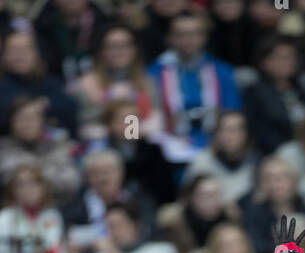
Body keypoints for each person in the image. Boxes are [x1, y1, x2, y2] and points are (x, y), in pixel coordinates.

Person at [148, 11, 241, 154]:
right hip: (166, 149)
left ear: (205, 37)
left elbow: (232, 112)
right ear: (170, 38)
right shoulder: (154, 73)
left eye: (195, 33)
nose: (189, 39)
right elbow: (149, 116)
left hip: (216, 147)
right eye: (181, 34)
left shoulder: (222, 71)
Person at [71, 23, 161, 141]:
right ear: (100, 50)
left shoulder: (147, 81)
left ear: (135, 49)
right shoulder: (85, 85)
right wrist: (115, 130)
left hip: (142, 143)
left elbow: (157, 117)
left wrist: (134, 131)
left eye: (125, 45)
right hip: (101, 147)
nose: (119, 51)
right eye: (112, 46)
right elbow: (81, 126)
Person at [0, 94, 80, 202]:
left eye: (31, 118)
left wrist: (33, 176)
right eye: (21, 118)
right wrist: (47, 172)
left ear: (41, 122)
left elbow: (71, 182)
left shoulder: (56, 146)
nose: (27, 124)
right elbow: (10, 179)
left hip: (58, 208)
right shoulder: (4, 147)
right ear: (12, 123)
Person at [156, 171, 242, 253]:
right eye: (206, 195)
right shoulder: (174, 223)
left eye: (216, 194)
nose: (212, 200)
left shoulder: (230, 217)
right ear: (191, 197)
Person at [242, 35, 305, 156]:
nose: (288, 62)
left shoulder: (303, 88)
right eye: (281, 57)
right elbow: (260, 132)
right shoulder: (254, 93)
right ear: (264, 62)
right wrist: (290, 150)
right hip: (274, 154)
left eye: (291, 57)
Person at [0, 27, 78, 135]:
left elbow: (71, 108)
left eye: (25, 50)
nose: (19, 56)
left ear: (36, 54)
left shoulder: (52, 83)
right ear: (4, 56)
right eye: (13, 50)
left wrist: (43, 103)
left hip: (53, 145)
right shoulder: (2, 88)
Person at [181, 109, 258, 204]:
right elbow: (186, 200)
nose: (231, 136)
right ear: (216, 134)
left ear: (246, 134)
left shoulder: (257, 163)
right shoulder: (201, 162)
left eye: (236, 130)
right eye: (225, 130)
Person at [241, 154, 305, 253]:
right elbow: (258, 251)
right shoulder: (254, 215)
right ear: (262, 185)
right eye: (268, 179)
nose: (276, 184)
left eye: (281, 178)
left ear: (294, 181)